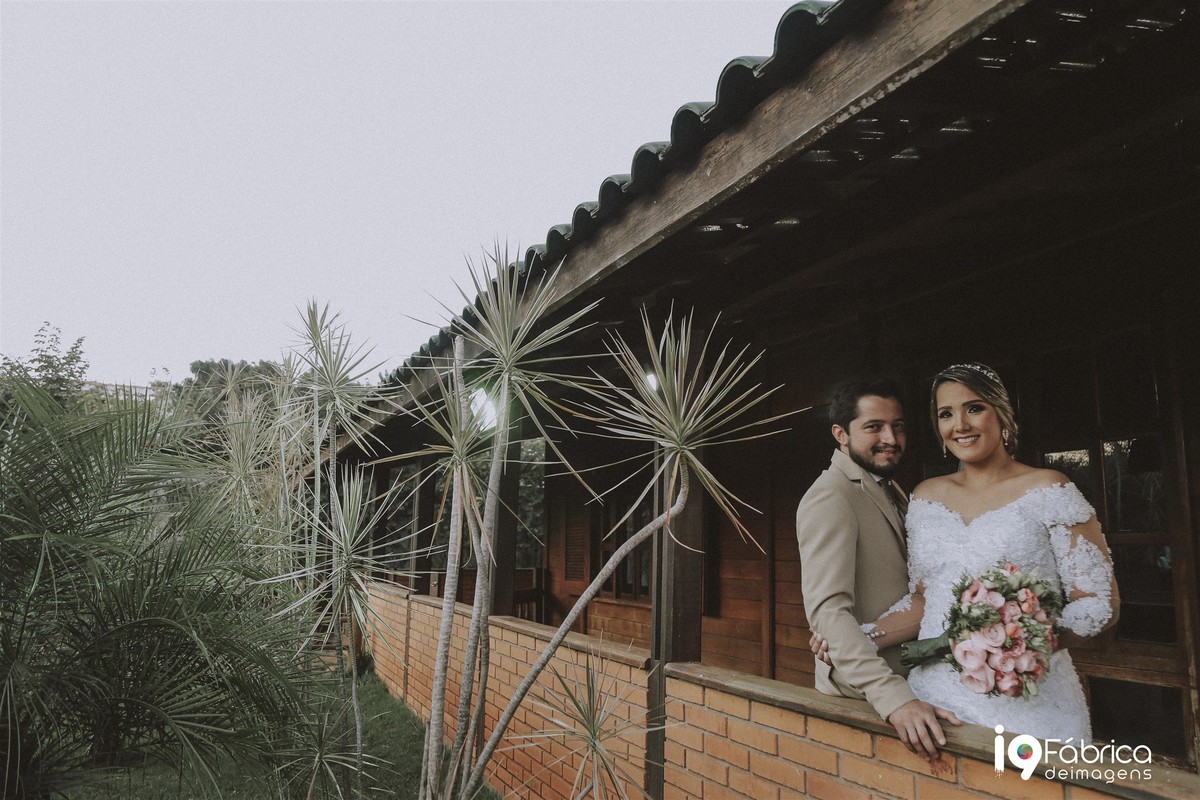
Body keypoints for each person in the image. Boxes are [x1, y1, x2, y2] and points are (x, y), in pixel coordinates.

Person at [816, 363, 1120, 743]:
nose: (960, 424)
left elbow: (1099, 605)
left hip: (1030, 700)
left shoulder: (1050, 489)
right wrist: (860, 638)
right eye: (946, 414)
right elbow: (927, 599)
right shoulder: (926, 497)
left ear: (1002, 414)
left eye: (974, 408)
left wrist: (1018, 642)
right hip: (939, 703)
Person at [796, 376, 960, 761]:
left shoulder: (891, 487)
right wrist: (893, 699)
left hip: (920, 671)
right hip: (869, 696)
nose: (890, 437)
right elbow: (827, 612)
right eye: (874, 427)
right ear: (841, 434)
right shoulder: (830, 496)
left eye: (898, 426)